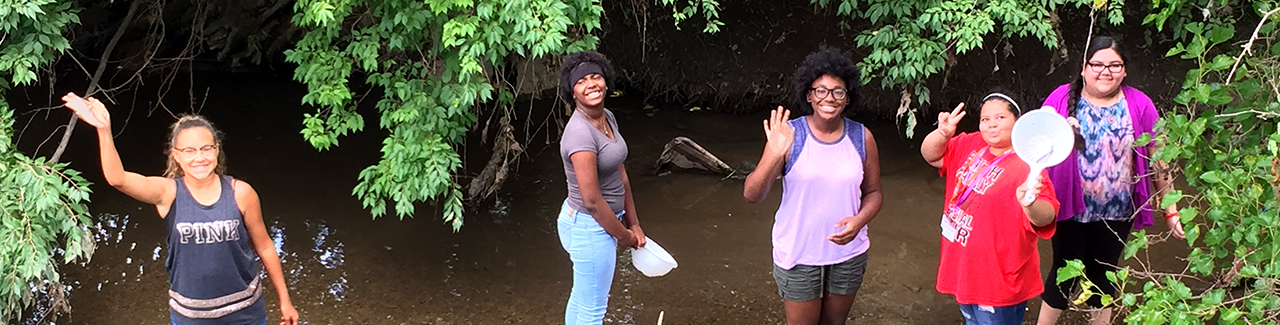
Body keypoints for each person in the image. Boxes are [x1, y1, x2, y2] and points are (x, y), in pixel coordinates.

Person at [62, 93, 298, 325]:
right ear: (176, 156)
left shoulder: (241, 193)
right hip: (191, 317)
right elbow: (117, 179)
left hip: (246, 313)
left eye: (207, 148)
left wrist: (285, 301)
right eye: (189, 151)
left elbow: (265, 246)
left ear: (216, 150)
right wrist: (103, 130)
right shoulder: (168, 194)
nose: (199, 158)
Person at [1035, 36, 1186, 325]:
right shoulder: (1061, 98)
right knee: (1063, 271)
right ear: (1084, 68)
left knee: (1104, 272)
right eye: (1098, 64)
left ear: (1125, 70)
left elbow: (1159, 160)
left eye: (1115, 65)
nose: (1106, 71)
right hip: (1068, 208)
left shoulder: (1140, 104)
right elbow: (1036, 147)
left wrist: (1172, 209)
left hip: (1118, 211)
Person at [743, 47, 883, 325]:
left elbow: (874, 193)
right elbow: (752, 195)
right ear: (809, 95)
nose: (828, 98)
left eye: (838, 92)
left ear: (847, 99)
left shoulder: (862, 137)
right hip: (799, 253)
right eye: (820, 90)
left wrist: (859, 221)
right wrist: (773, 154)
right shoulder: (789, 135)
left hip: (848, 253)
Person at [920, 92, 1060, 325]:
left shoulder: (1029, 164)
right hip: (964, 267)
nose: (991, 124)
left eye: (1000, 117)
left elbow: (1047, 216)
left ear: (1018, 120)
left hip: (998, 277)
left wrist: (1030, 204)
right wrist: (942, 133)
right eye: (985, 119)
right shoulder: (971, 143)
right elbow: (931, 156)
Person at [555, 51, 646, 325]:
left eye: (596, 77)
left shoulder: (606, 117)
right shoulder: (580, 134)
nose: (591, 84)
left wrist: (635, 223)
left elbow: (621, 172)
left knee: (582, 299)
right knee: (593, 311)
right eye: (581, 81)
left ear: (606, 81)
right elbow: (592, 200)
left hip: (596, 223)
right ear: (573, 92)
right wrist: (624, 236)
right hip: (588, 226)